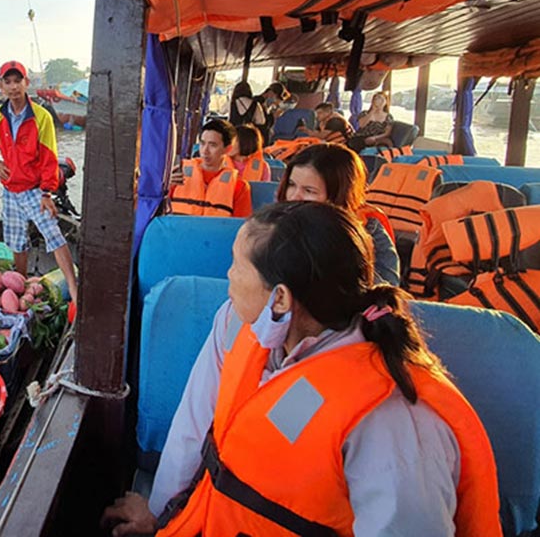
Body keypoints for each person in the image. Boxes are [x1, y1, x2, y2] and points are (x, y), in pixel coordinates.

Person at [102, 202, 501, 537]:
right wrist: (159, 515)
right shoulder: (258, 338)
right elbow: (205, 432)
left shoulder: (392, 423)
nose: (228, 276)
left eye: (237, 265)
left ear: (280, 300)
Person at [0, 60, 79, 301]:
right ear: (1, 86)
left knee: (54, 236)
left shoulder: (41, 117)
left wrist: (47, 194)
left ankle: (75, 291)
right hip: (10, 190)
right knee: (16, 241)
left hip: (35, 190)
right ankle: (21, 286)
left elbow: (49, 158)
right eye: (8, 82)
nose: (13, 87)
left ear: (26, 83)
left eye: (18, 81)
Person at [277, 142, 400, 286]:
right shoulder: (273, 226)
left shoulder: (370, 231)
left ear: (337, 196)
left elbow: (386, 295)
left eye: (309, 191)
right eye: (291, 185)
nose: (294, 197)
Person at [169, 119, 252, 218]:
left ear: (228, 149)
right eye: (202, 143)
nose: (205, 151)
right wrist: (163, 189)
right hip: (177, 232)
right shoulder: (177, 174)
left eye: (213, 145)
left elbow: (241, 227)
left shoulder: (239, 187)